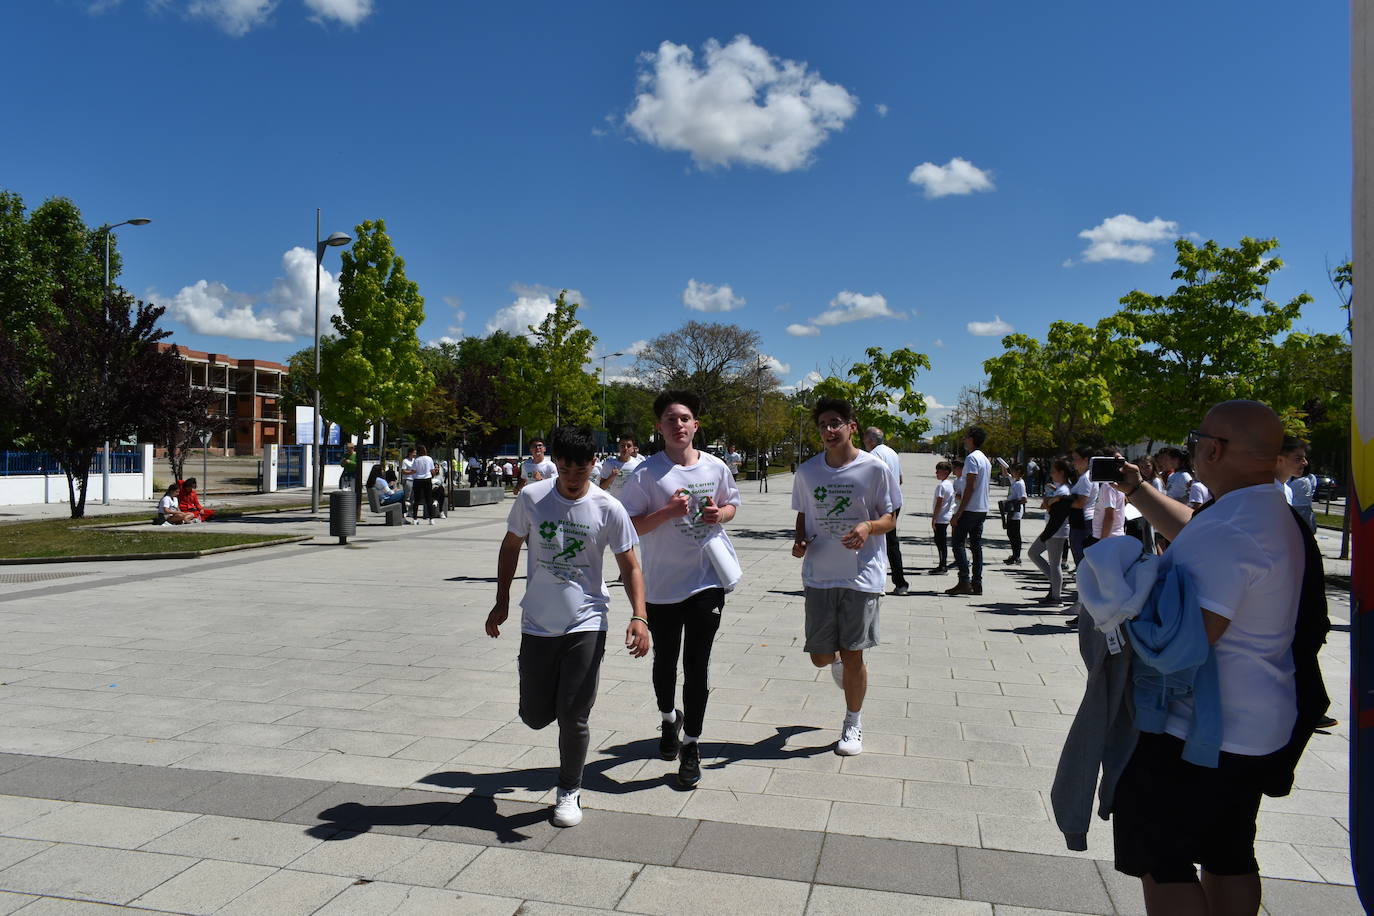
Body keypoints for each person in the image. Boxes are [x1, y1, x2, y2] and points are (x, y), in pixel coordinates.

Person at [1106, 401, 1331, 915]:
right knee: (1229, 852)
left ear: (1213, 448)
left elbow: (1181, 642)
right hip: (1255, 721)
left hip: (1199, 731)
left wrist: (1117, 600)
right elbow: (1197, 531)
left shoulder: (1232, 530)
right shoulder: (1267, 510)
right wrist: (1138, 490)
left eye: (1195, 439)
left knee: (1163, 860)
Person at [486, 425, 650, 828]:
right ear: (555, 463)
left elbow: (630, 565)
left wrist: (639, 616)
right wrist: (502, 601)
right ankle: (536, 694)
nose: (574, 478)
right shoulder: (532, 497)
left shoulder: (608, 507)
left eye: (581, 469)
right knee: (536, 716)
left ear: (595, 463)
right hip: (538, 622)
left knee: (574, 715)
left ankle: (569, 789)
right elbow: (510, 547)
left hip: (587, 620)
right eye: (565, 468)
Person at [618, 390, 741, 789]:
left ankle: (691, 746)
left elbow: (731, 506)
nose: (678, 425)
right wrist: (668, 512)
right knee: (665, 662)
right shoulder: (645, 474)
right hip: (662, 586)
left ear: (695, 426)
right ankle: (669, 720)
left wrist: (718, 513)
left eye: (685, 418)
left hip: (706, 581)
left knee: (697, 667)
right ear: (659, 428)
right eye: (670, 419)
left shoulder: (716, 467)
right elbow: (629, 527)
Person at [793, 399, 898, 756]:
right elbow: (804, 512)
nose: (828, 430)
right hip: (820, 574)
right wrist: (800, 539)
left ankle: (852, 722)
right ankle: (835, 663)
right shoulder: (808, 471)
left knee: (854, 653)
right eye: (822, 424)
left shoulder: (874, 468)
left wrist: (868, 526)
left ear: (852, 426)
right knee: (821, 656)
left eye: (835, 422)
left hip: (861, 574)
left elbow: (890, 518)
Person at [862, 427, 909, 595]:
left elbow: (868, 482)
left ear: (870, 441)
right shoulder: (893, 453)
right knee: (892, 543)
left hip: (880, 504)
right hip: (894, 502)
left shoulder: (873, 455)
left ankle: (878, 583)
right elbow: (900, 479)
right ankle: (900, 583)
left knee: (878, 544)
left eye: (865, 440)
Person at [946, 428, 991, 596]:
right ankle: (977, 583)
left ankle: (964, 580)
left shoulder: (972, 458)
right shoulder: (985, 459)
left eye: (966, 438)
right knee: (976, 546)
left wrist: (959, 513)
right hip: (982, 508)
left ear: (971, 439)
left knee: (958, 543)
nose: (964, 441)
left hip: (970, 508)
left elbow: (970, 486)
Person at [1028, 458, 1073, 606]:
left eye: (1053, 471)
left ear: (1061, 473)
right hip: (1052, 530)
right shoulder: (1060, 489)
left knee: (1054, 564)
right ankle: (1056, 584)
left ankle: (1056, 596)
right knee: (1034, 553)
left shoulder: (1064, 490)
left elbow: (1055, 510)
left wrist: (1049, 502)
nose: (1051, 474)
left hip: (1056, 531)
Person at [1279, 438, 1316, 531]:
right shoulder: (1263, 491)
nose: (1305, 463)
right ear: (1279, 460)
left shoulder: (1287, 490)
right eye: (1298, 459)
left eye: (1304, 458)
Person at [929, 460, 955, 574]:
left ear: (945, 472)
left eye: (938, 470)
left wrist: (934, 519)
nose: (936, 473)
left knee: (939, 542)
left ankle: (942, 566)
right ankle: (942, 564)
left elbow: (939, 503)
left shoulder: (941, 486)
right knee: (942, 542)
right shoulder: (949, 484)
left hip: (940, 517)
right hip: (946, 516)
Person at [598, 434, 644, 499]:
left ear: (633, 448)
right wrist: (612, 476)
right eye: (622, 446)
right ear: (618, 447)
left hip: (632, 505)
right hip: (615, 503)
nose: (625, 448)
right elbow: (601, 487)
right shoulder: (609, 464)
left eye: (629, 446)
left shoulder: (638, 464)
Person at [1004, 463, 1027, 565]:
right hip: (1011, 510)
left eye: (1013, 470)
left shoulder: (1020, 484)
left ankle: (1016, 556)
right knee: (1010, 533)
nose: (1011, 472)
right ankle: (1014, 555)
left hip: (1016, 511)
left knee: (1015, 534)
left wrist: (1013, 504)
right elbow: (1006, 474)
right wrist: (1003, 464)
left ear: (1018, 472)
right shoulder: (1014, 481)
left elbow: (1024, 499)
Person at [409, 445, 436, 525]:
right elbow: (432, 470)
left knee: (416, 500)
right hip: (427, 479)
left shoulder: (416, 460)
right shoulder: (429, 459)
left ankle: (415, 518)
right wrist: (433, 475)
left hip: (417, 480)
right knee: (428, 499)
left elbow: (413, 470)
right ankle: (431, 519)